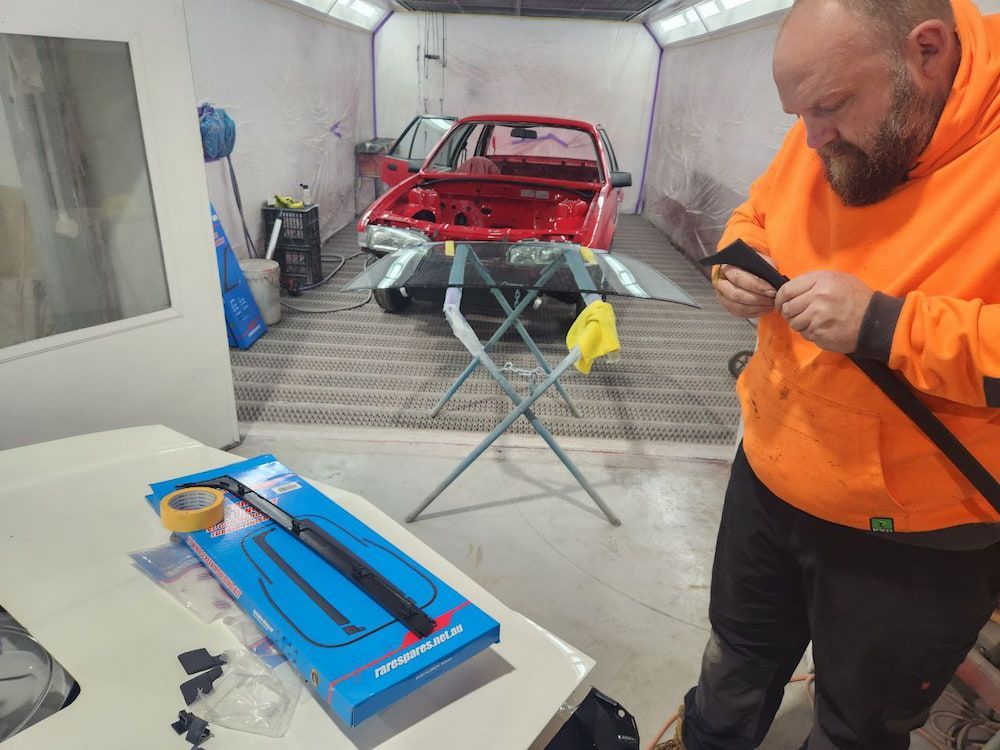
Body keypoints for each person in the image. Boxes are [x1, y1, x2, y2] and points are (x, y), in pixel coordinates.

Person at [658, 0, 1000, 748]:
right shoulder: (831, 116)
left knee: (857, 722)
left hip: (916, 525)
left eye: (831, 108)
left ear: (928, 52)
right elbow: (760, 214)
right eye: (800, 115)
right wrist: (734, 263)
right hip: (774, 470)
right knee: (738, 658)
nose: (813, 140)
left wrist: (888, 326)